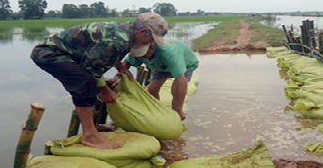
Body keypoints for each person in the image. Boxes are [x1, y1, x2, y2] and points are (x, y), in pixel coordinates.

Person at [30, 12, 169, 149]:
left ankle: (93, 127)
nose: (150, 43)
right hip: (49, 54)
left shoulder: (127, 31)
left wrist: (122, 69)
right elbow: (91, 67)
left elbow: (111, 54)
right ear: (143, 32)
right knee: (85, 83)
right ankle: (89, 135)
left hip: (72, 55)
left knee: (93, 83)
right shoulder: (117, 40)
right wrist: (104, 90)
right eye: (151, 39)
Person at [118, 40, 199, 120]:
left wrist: (178, 108)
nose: (142, 56)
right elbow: (127, 62)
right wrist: (118, 77)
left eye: (144, 54)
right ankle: (158, 109)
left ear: (153, 48)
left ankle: (178, 111)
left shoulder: (169, 52)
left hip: (184, 63)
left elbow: (180, 78)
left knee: (176, 88)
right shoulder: (139, 50)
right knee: (152, 89)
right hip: (160, 66)